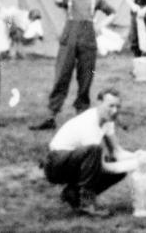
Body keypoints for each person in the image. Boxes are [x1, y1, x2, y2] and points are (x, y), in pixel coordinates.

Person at [31, 0, 116, 130]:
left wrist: (100, 26)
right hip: (69, 37)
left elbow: (112, 12)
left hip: (88, 39)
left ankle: (81, 115)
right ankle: (51, 115)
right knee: (61, 75)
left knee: (86, 77)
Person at [43, 87, 130, 217]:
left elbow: (117, 151)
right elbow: (100, 165)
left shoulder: (107, 120)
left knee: (119, 165)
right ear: (99, 103)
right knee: (95, 151)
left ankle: (73, 194)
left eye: (118, 107)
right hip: (56, 164)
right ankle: (87, 204)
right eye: (111, 106)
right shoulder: (90, 122)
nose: (115, 111)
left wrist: (136, 158)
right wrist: (124, 165)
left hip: (73, 161)